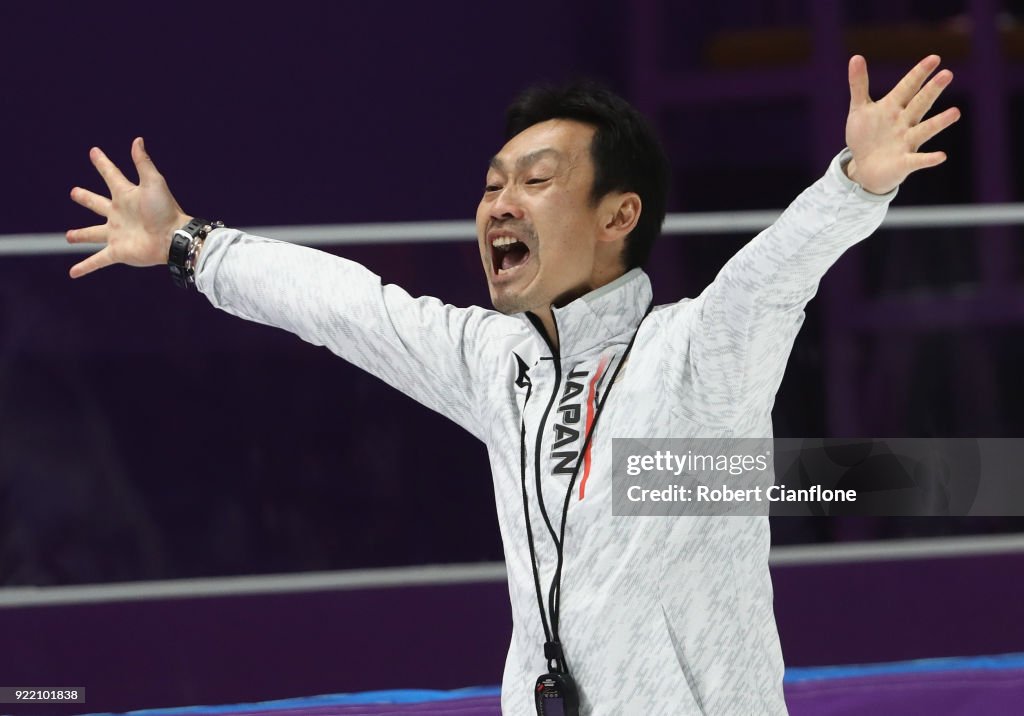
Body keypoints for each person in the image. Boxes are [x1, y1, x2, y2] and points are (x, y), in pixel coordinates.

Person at [66, 55, 959, 715]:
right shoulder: (496, 365)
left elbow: (773, 276)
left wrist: (855, 185)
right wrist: (189, 243)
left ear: (618, 215)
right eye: (492, 184)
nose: (500, 202)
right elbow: (345, 306)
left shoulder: (695, 358)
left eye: (536, 181)